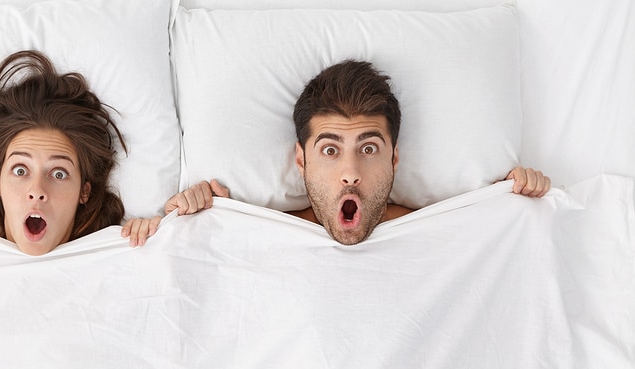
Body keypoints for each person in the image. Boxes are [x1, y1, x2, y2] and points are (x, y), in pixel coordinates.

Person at [164, 59, 550, 245]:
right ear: (302, 161)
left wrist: (510, 204)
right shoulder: (261, 233)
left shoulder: (443, 230)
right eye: (330, 150)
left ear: (394, 159)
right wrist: (201, 219)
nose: (350, 172)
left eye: (368, 148)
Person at [0, 50, 209, 255]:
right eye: (20, 171)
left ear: (84, 191)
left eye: (59, 173)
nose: (37, 191)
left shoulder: (127, 248)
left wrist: (197, 223)